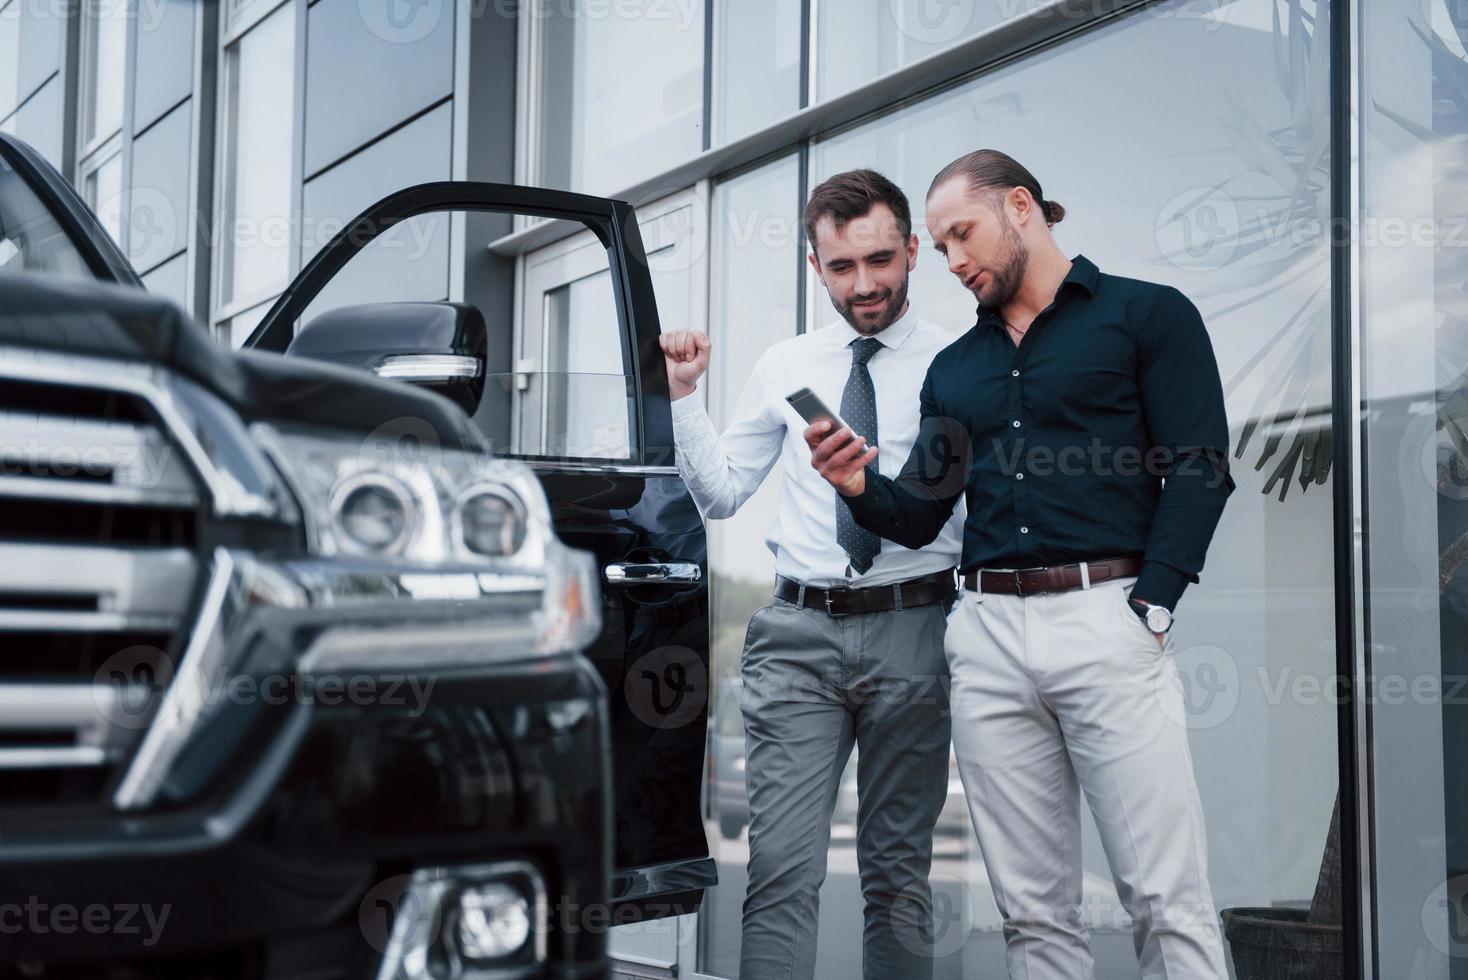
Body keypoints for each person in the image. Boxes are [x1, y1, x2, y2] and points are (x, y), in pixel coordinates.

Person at [805, 149, 1236, 979]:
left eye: (963, 235)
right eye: (942, 247)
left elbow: (1199, 466)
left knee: (1163, 900)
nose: (955, 261)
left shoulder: (1148, 317)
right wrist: (859, 486)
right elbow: (923, 510)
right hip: (990, 637)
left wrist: (1154, 602)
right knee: (1033, 917)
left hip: (1109, 617)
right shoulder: (954, 369)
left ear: (1022, 207)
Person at [659, 169, 964, 980]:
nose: (863, 284)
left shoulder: (958, 365)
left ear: (910, 250)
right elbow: (722, 495)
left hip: (915, 628)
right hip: (797, 636)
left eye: (878, 260)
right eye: (840, 267)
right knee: (781, 872)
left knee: (899, 880)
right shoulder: (788, 364)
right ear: (814, 266)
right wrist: (684, 400)